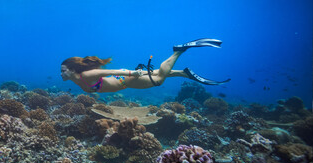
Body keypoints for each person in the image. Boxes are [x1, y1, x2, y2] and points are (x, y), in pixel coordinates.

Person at [61, 38, 230, 93]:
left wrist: (132, 74)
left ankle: (178, 51)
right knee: (156, 73)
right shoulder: (77, 79)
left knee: (158, 81)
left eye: (63, 70)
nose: (61, 74)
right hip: (123, 78)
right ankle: (183, 73)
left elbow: (110, 71)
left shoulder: (84, 76)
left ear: (72, 69)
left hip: (125, 80)